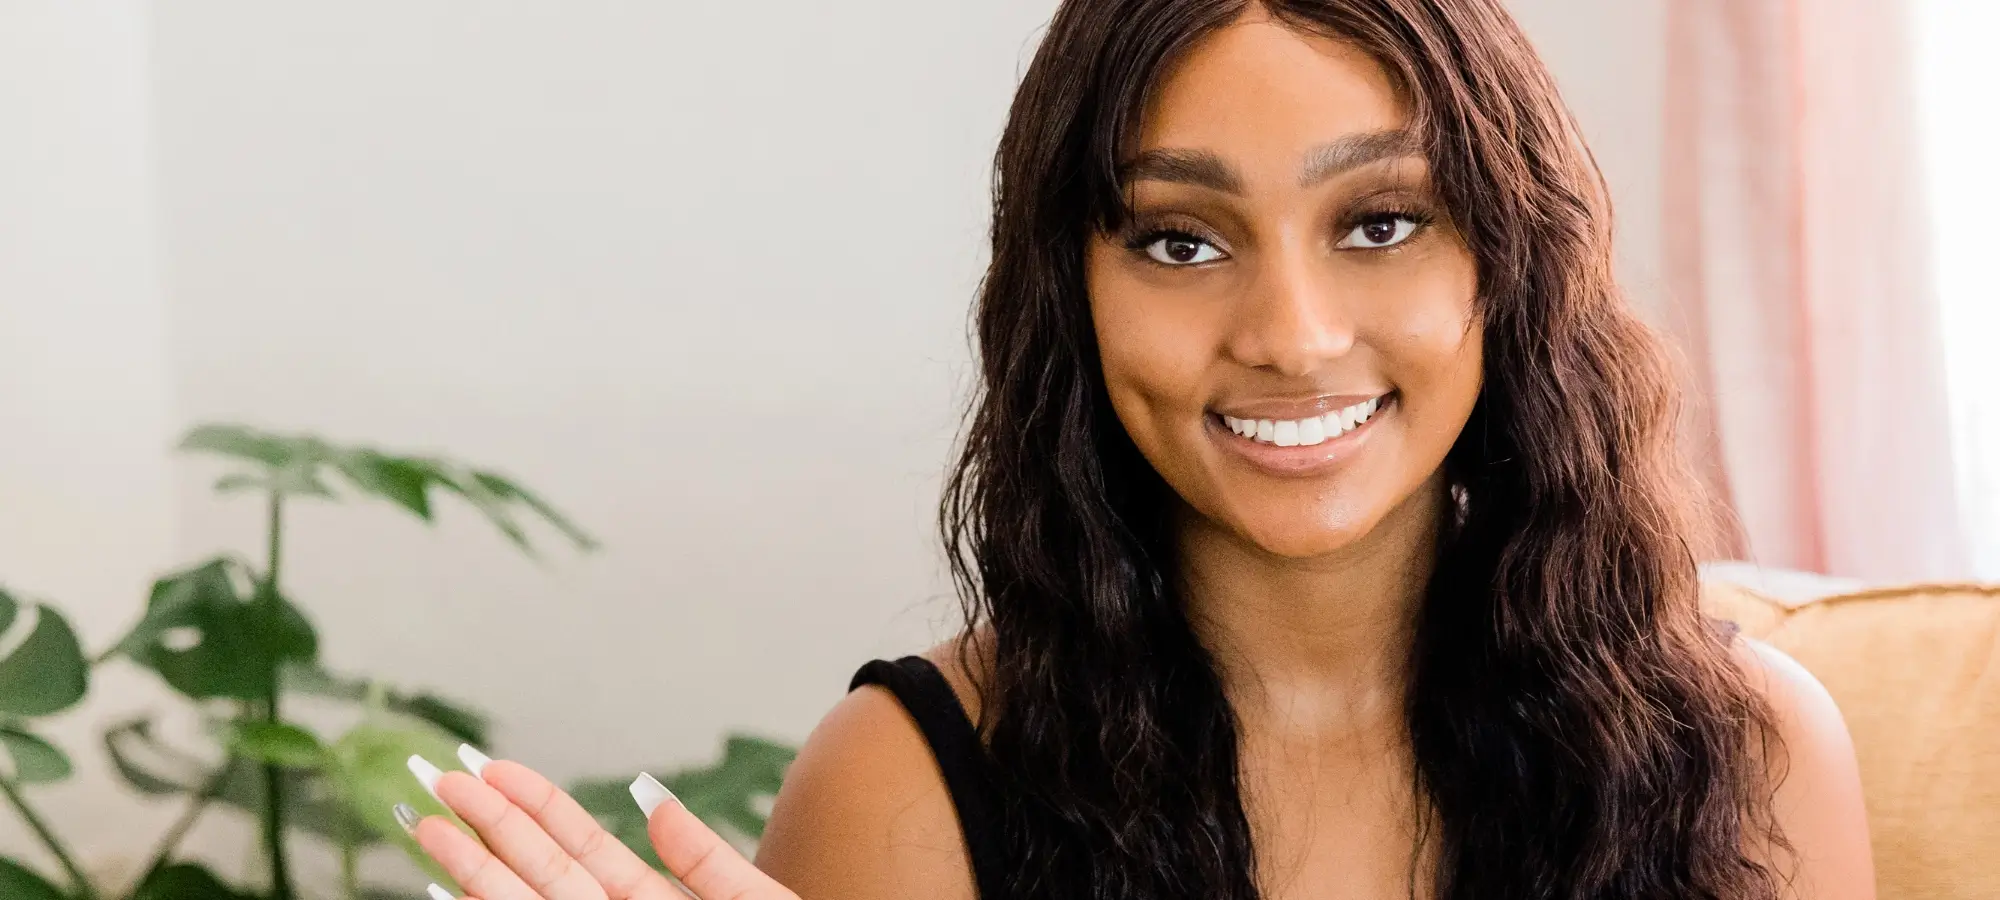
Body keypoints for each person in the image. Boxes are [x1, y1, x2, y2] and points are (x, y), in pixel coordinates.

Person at [395, 1, 1877, 897]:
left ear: (1508, 264)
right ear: (1069, 298)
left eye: (1379, 222)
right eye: (1179, 238)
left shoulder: (1749, 758)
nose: (1292, 334)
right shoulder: (909, 790)